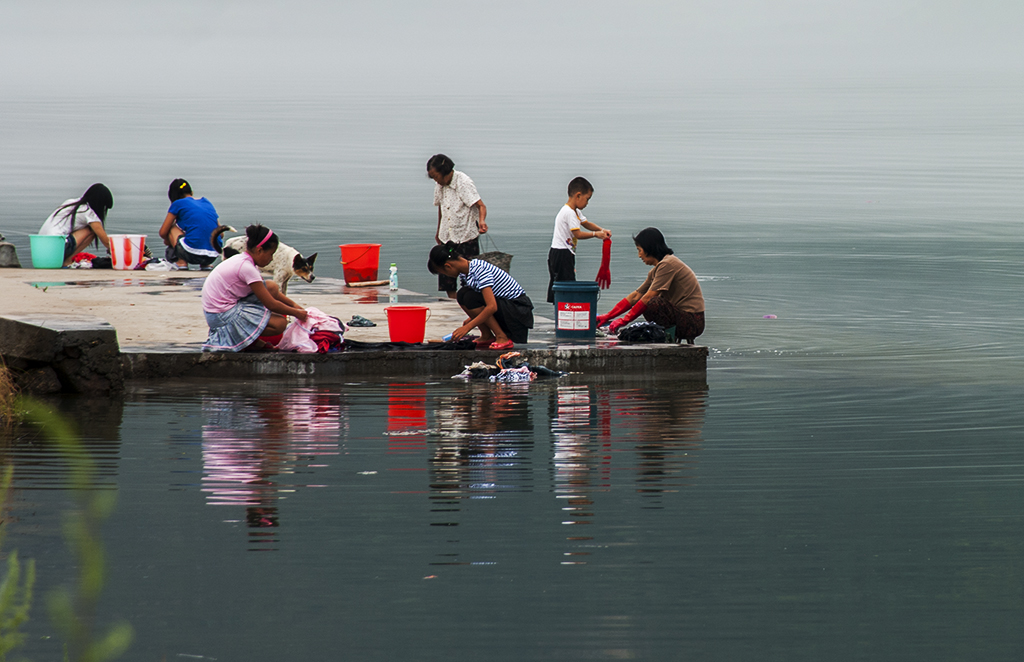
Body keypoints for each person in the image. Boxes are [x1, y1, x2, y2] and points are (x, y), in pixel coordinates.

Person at [201, 224, 308, 352]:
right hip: (221, 318)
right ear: (259, 250)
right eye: (270, 254)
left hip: (216, 311)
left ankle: (250, 339)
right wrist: (297, 313)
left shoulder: (243, 259)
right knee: (280, 323)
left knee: (271, 286)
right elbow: (271, 304)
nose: (271, 259)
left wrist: (294, 305)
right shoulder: (247, 268)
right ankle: (246, 340)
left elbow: (269, 291)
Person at [596, 227, 705, 343]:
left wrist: (623, 321)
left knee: (653, 303)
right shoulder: (656, 270)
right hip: (682, 317)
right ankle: (666, 336)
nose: (639, 256)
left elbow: (648, 297)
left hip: (693, 322)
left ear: (649, 249)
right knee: (646, 302)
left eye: (639, 250)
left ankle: (667, 337)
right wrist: (607, 316)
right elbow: (635, 296)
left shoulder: (668, 264)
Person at [427, 243, 533, 350]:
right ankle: (487, 335)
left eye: (444, 273)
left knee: (470, 297)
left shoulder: (480, 270)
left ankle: (502, 337)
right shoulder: (466, 273)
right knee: (462, 294)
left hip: (517, 311)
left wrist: (468, 327)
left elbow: (492, 307)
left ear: (448, 266)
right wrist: (470, 319)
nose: (447, 276)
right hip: (506, 307)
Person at [427, 154, 488, 298]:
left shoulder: (463, 182)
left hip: (465, 236)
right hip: (447, 236)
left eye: (436, 176)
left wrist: (482, 221)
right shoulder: (440, 185)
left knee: (471, 277)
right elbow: (441, 208)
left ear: (444, 171)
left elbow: (481, 206)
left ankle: (471, 305)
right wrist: (438, 231)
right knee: (447, 277)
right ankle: (453, 304)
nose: (435, 180)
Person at [547, 176, 611, 303]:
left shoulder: (574, 211)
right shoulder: (569, 212)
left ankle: (563, 307)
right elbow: (578, 234)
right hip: (561, 253)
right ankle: (563, 309)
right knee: (565, 285)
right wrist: (595, 234)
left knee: (565, 282)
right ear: (578, 195)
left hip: (564, 252)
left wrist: (602, 230)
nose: (587, 203)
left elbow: (586, 223)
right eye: (587, 199)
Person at [38, 183, 115, 266]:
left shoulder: (71, 202)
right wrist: (113, 250)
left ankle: (65, 260)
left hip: (40, 247)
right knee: (91, 231)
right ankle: (67, 262)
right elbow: (105, 241)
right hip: (55, 248)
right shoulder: (88, 212)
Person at [159, 178, 222, 269]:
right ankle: (206, 265)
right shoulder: (206, 202)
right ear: (191, 192)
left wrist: (168, 240)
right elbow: (221, 233)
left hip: (191, 254)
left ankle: (181, 263)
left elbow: (163, 232)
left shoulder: (177, 203)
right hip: (213, 254)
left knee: (171, 228)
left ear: (173, 196)